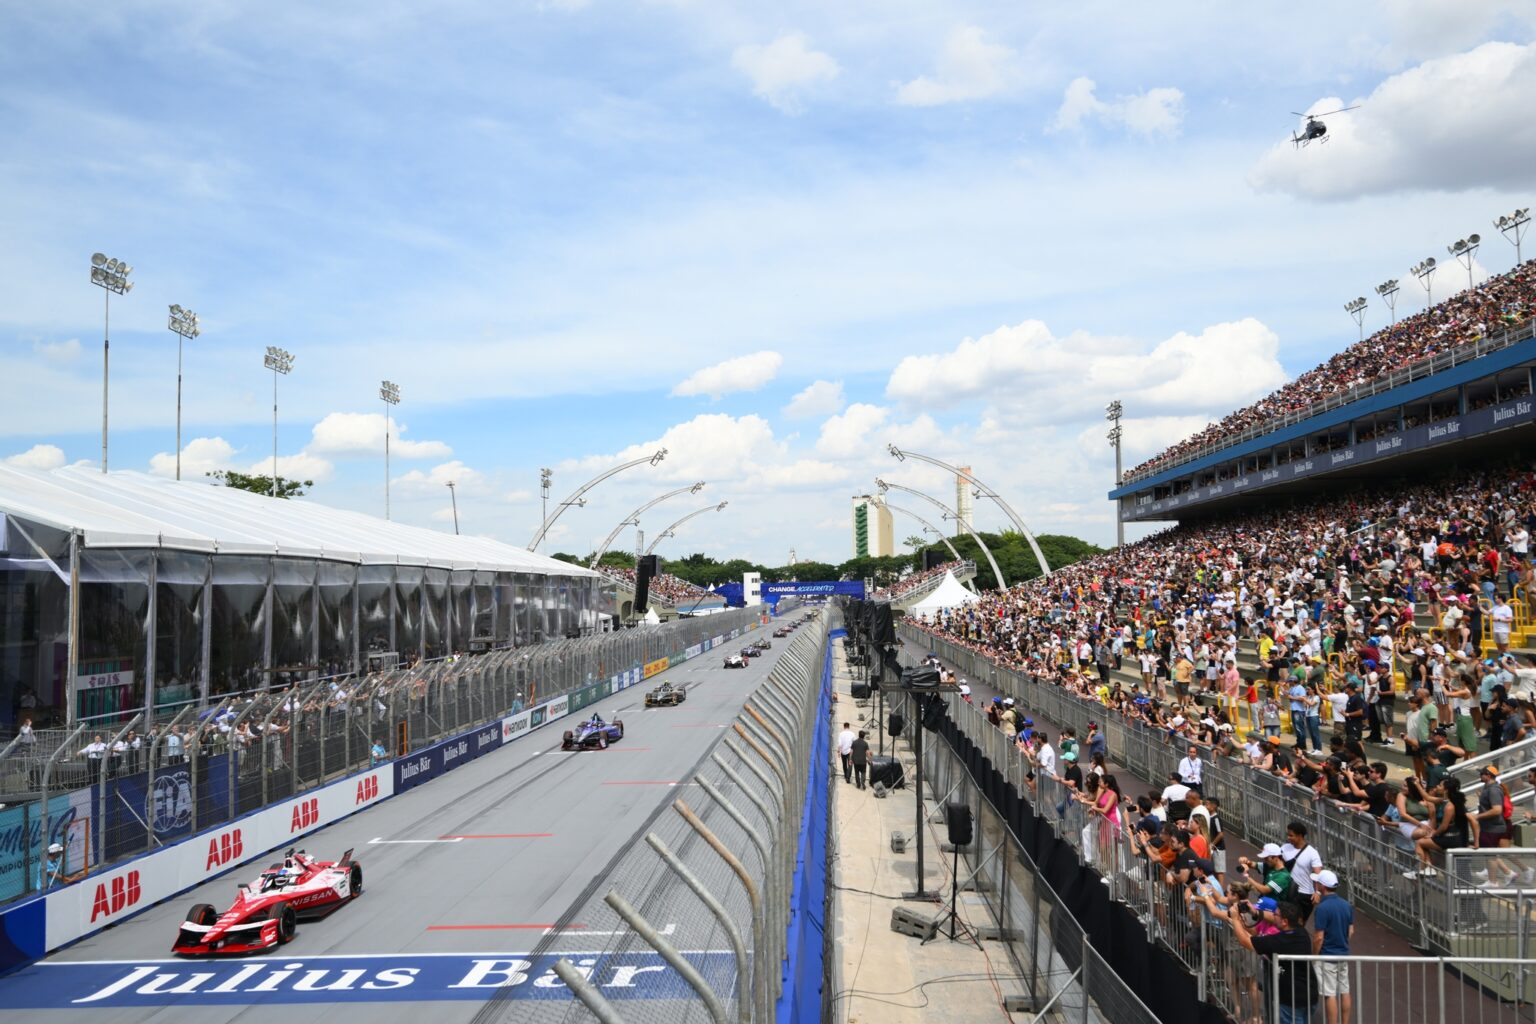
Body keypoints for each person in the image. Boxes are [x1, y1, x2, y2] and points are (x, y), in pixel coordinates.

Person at [1219, 896, 1316, 1024]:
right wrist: (1254, 912)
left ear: (1285, 921)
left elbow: (1245, 942)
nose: (1273, 917)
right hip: (1309, 995)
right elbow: (1267, 923)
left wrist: (1235, 919)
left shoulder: (1279, 941)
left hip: (1291, 1000)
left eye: (1275, 915)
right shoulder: (1301, 933)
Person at [1311, 870, 1353, 1024]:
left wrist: (1314, 956)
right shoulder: (1346, 905)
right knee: (1345, 990)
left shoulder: (1322, 908)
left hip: (1328, 955)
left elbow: (1318, 937)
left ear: (1322, 886)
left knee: (1329, 994)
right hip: (1343, 953)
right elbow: (1350, 931)